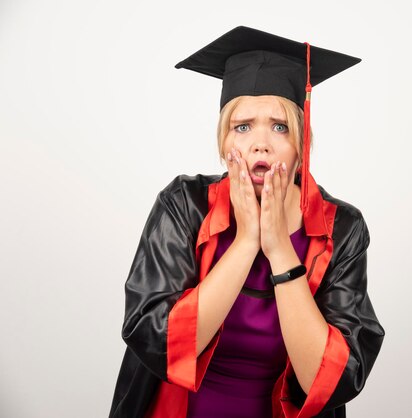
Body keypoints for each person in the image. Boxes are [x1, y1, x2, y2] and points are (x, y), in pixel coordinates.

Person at [109, 26, 385, 418]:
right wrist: (246, 242)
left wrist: (279, 249)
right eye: (242, 127)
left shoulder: (340, 228)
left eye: (279, 126)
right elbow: (159, 342)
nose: (261, 143)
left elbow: (330, 379)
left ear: (301, 143)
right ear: (224, 144)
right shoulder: (184, 206)